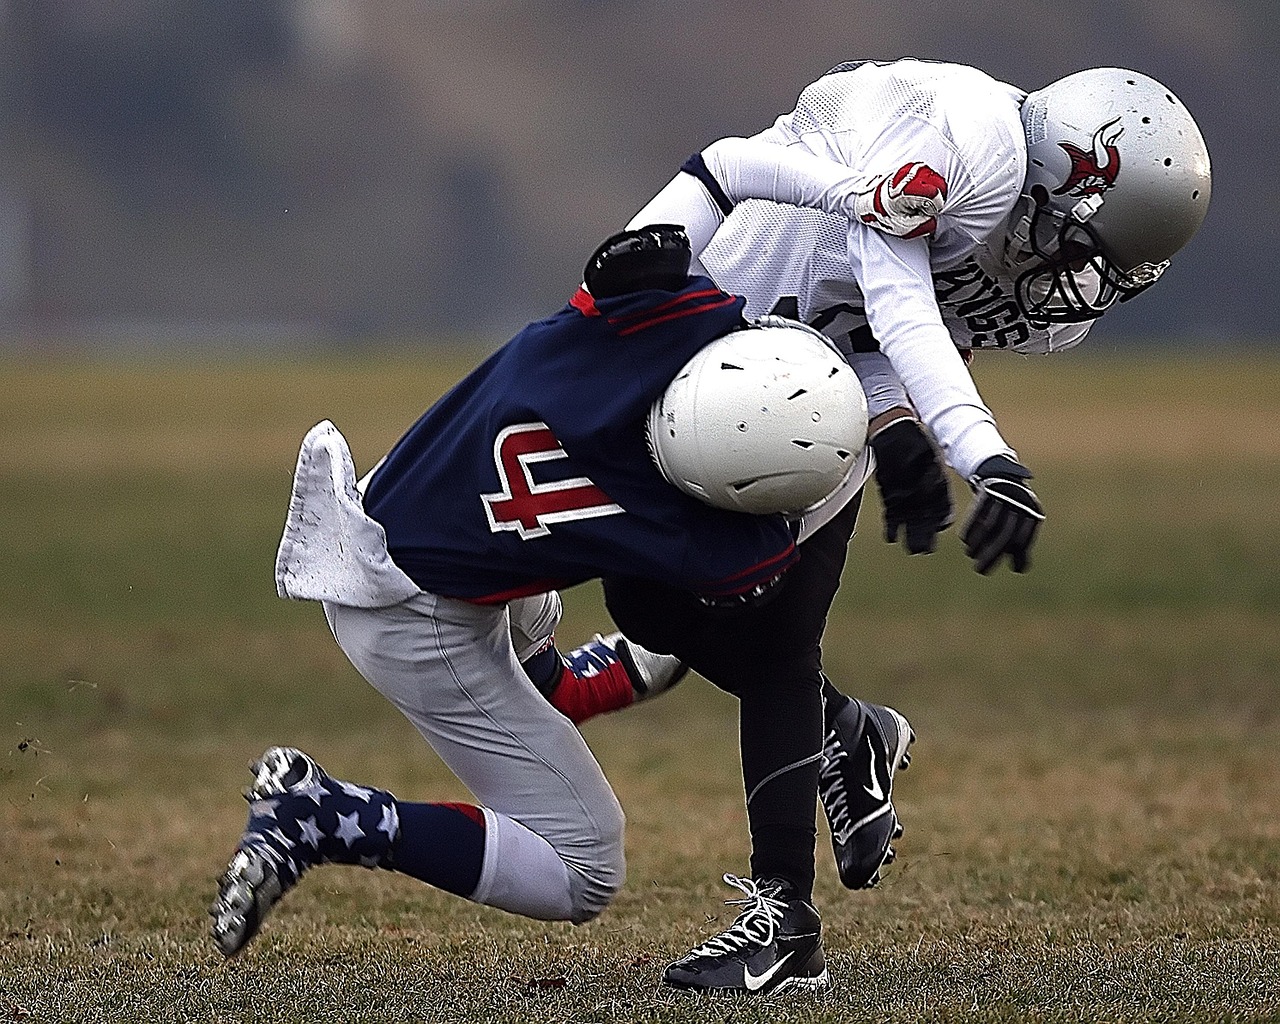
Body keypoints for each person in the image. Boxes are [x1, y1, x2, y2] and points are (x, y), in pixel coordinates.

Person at [521, 60, 1212, 994]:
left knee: (778, 643)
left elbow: (894, 333)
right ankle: (848, 732)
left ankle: (783, 918)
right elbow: (888, 282)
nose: (1074, 279)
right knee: (645, 605)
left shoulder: (1038, 284)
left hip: (812, 383)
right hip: (712, 331)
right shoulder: (962, 151)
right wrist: (977, 454)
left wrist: (894, 427)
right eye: (1076, 243)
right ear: (1057, 175)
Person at [207, 223, 871, 989]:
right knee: (585, 867)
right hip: (410, 613)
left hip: (414, 503)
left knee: (553, 643)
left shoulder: (639, 324)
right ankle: (323, 817)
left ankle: (587, 680)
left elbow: (663, 225)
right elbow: (753, 610)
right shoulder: (712, 543)